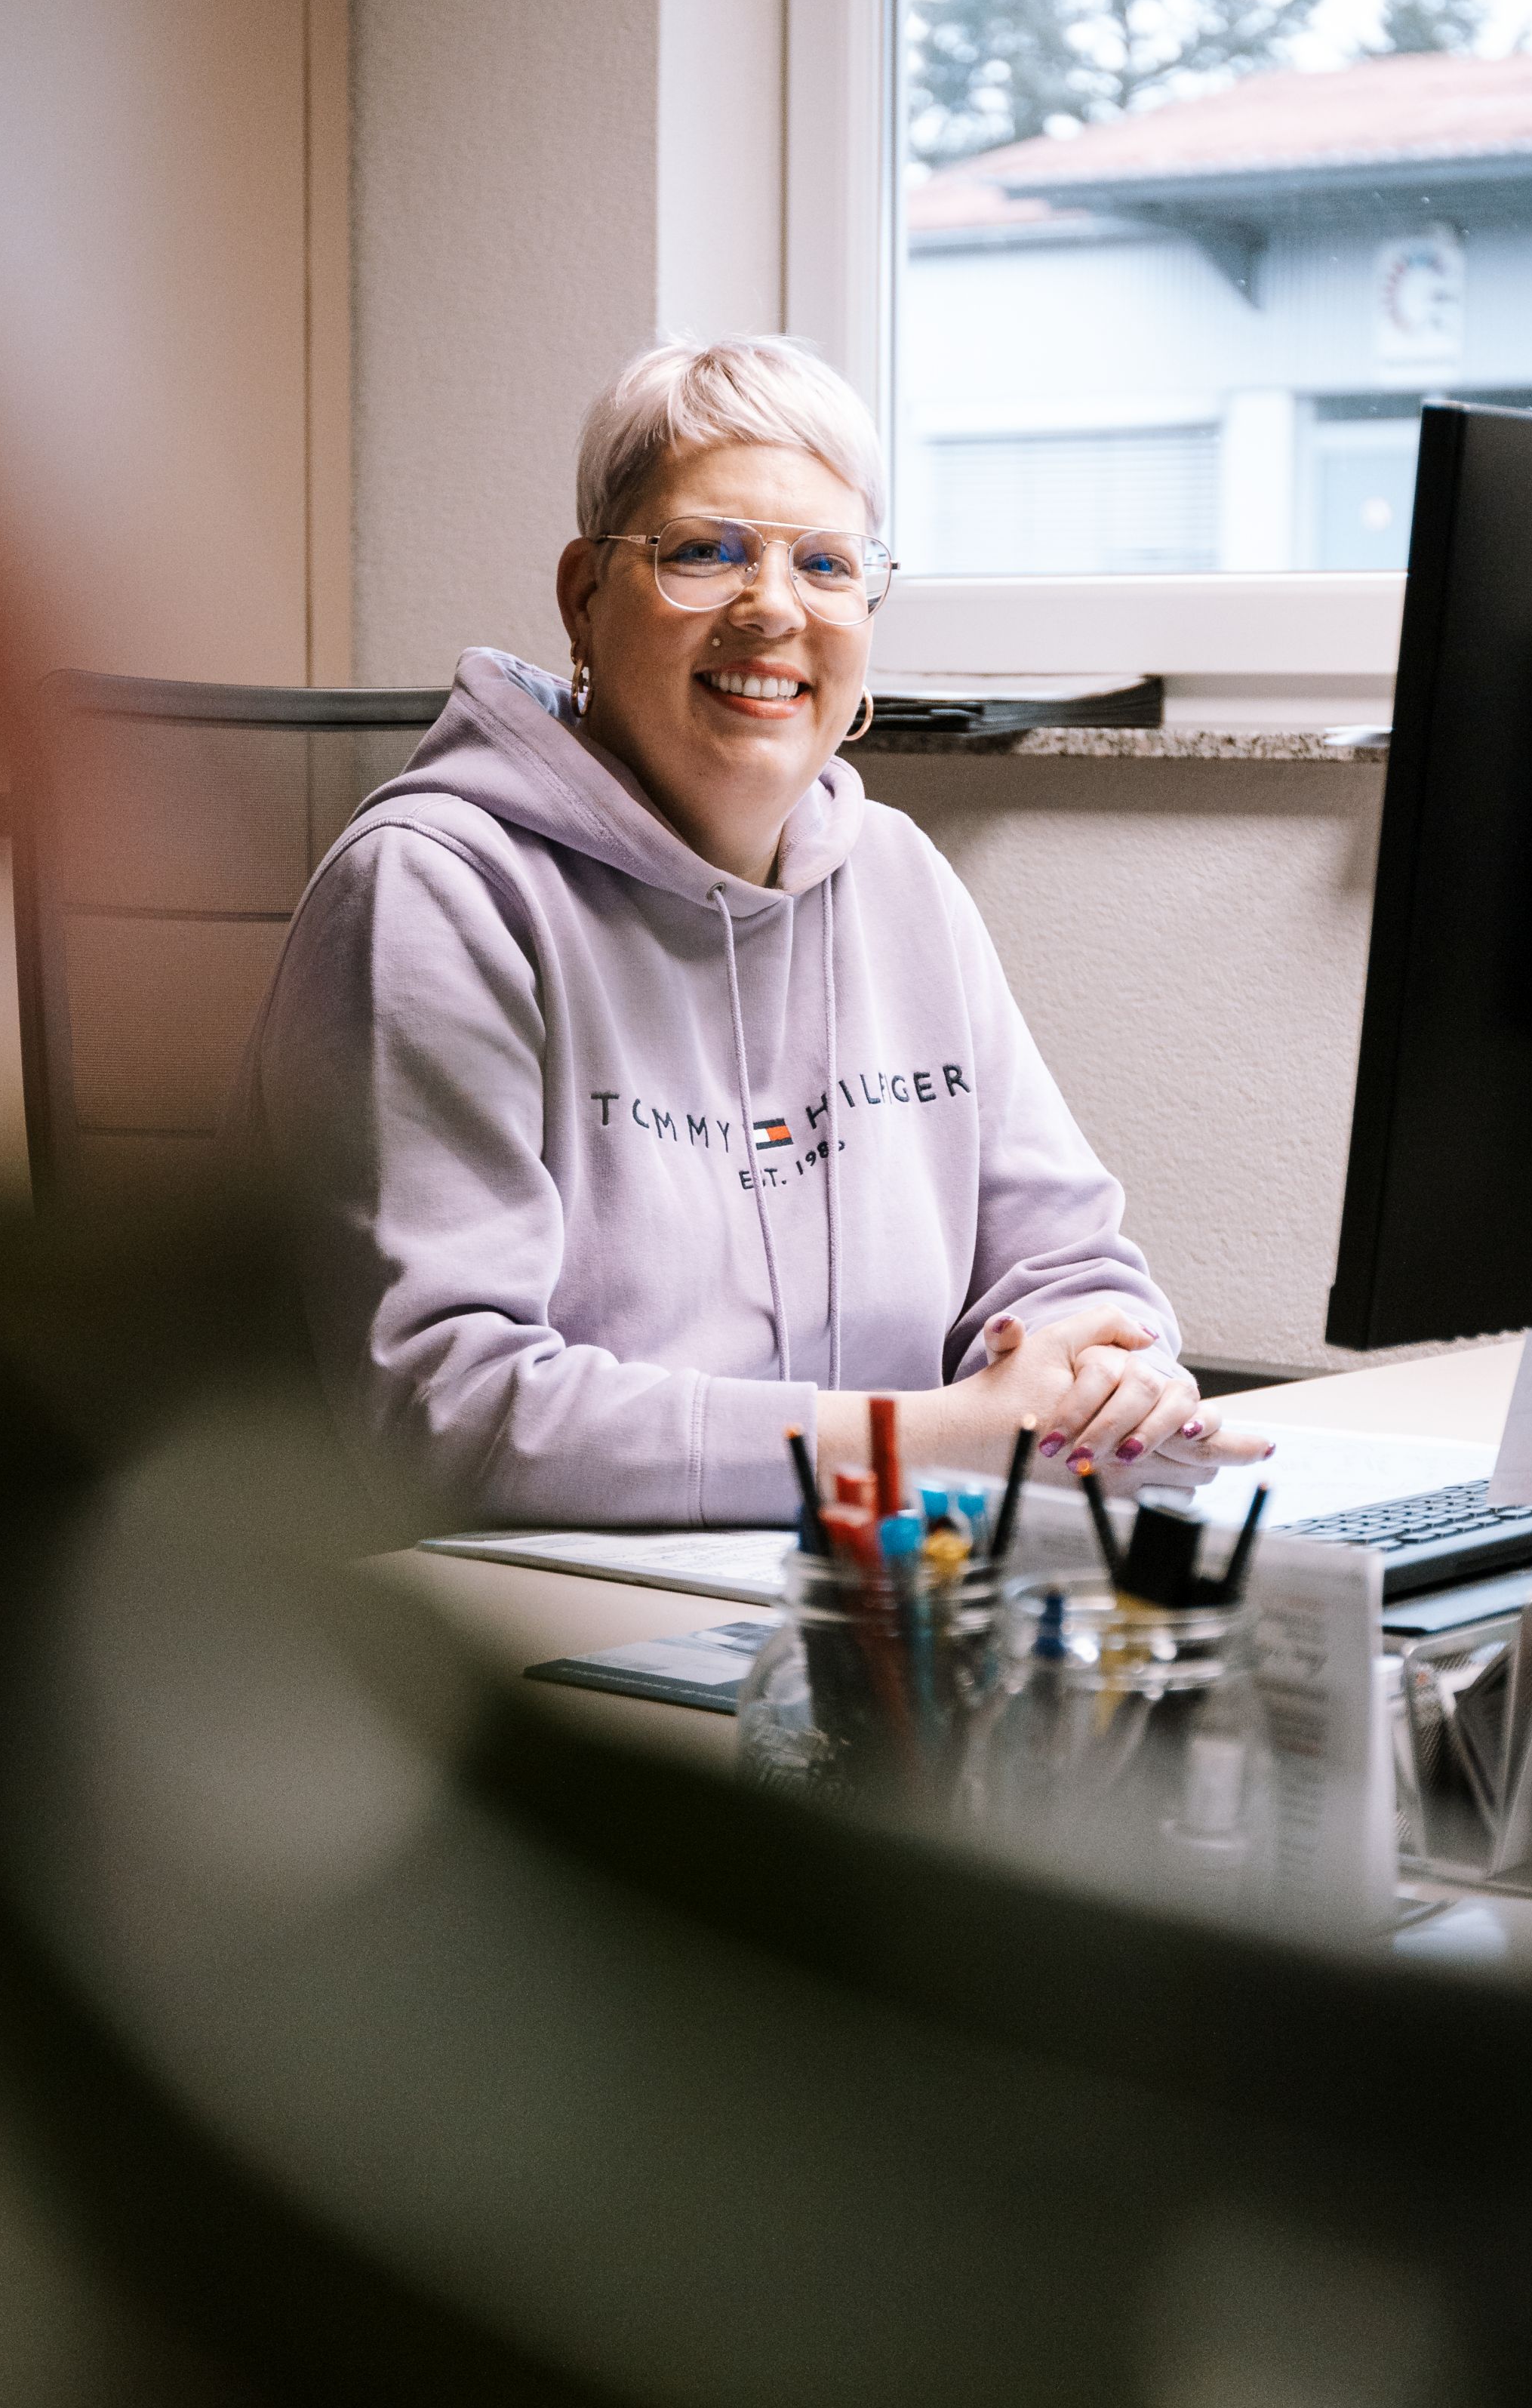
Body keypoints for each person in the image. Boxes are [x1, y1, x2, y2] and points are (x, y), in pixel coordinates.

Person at [247, 336, 1270, 1529]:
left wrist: (1106, 1378)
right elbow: (450, 1410)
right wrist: (944, 1438)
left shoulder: (901, 882)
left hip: (874, 1569)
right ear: (584, 597)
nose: (773, 607)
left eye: (827, 564)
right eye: (705, 552)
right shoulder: (435, 889)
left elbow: (1069, 1269)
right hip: (498, 1607)